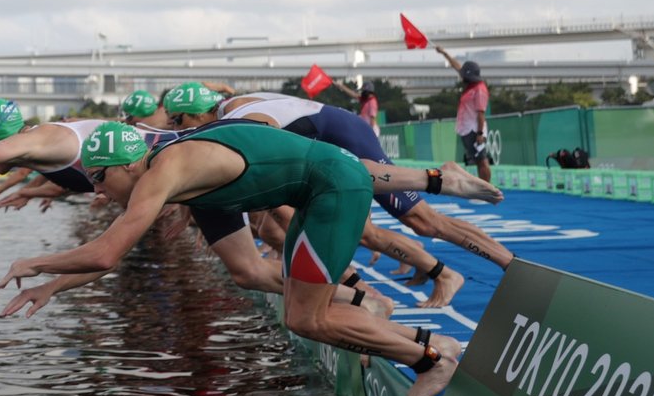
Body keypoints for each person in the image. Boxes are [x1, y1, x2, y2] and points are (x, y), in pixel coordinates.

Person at [0, 120, 503, 396]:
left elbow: (106, 253)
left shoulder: (163, 171)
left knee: (308, 318)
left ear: (128, 165)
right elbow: (112, 254)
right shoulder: (169, 163)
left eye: (101, 181)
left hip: (332, 191)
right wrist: (53, 286)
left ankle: (432, 358)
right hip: (321, 188)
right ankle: (423, 343)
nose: (101, 194)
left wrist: (34, 262)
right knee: (301, 310)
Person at [0, 98, 388, 315]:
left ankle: (370, 282)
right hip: (177, 184)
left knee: (291, 223)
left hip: (187, 173)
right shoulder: (45, 155)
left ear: (6, 137)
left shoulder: (43, 141)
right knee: (246, 271)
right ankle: (356, 293)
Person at [164, 85, 515, 279]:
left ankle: (507, 263)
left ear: (197, 114)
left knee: (422, 221)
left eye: (177, 121)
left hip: (346, 140)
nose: (176, 130)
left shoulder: (240, 116)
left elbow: (266, 151)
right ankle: (434, 268)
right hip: (333, 146)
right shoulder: (227, 107)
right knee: (369, 230)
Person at [435, 45, 492, 182]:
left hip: (474, 129)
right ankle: (483, 188)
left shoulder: (479, 89)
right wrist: (444, 53)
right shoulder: (471, 85)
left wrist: (479, 134)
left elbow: (480, 114)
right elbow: (457, 67)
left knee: (482, 160)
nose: (461, 77)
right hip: (466, 128)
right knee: (477, 160)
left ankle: (487, 189)